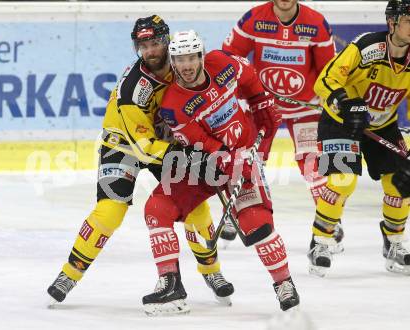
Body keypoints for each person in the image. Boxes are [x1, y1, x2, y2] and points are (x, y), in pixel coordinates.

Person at [47, 15, 234, 307]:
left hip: (166, 142)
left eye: (156, 42)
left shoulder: (183, 62)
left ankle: (212, 272)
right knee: (109, 211)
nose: (151, 50)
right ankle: (69, 274)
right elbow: (144, 146)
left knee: (195, 207)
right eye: (143, 45)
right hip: (124, 145)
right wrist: (187, 155)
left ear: (167, 40)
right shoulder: (133, 91)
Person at [141, 30, 299, 315]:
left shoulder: (223, 63)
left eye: (191, 57)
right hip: (204, 163)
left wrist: (261, 109)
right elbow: (203, 144)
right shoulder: (173, 105)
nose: (187, 65)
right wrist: (229, 158)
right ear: (173, 62)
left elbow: (250, 81)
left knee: (257, 225)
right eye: (180, 59)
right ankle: (170, 283)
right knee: (157, 208)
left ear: (201, 56)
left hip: (244, 154)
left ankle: (283, 283)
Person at [221, 0, 345, 249]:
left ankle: (328, 217)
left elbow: (327, 71)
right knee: (246, 159)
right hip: (262, 103)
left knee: (313, 163)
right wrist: (242, 91)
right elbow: (229, 59)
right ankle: (239, 211)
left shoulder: (316, 23)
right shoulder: (253, 18)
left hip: (304, 105)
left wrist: (331, 98)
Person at [308, 0, 410, 277]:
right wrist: (345, 101)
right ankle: (321, 241)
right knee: (343, 181)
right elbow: (326, 79)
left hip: (382, 125)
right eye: (409, 20)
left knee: (401, 183)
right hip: (341, 121)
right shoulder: (367, 47)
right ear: (392, 23)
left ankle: (394, 242)